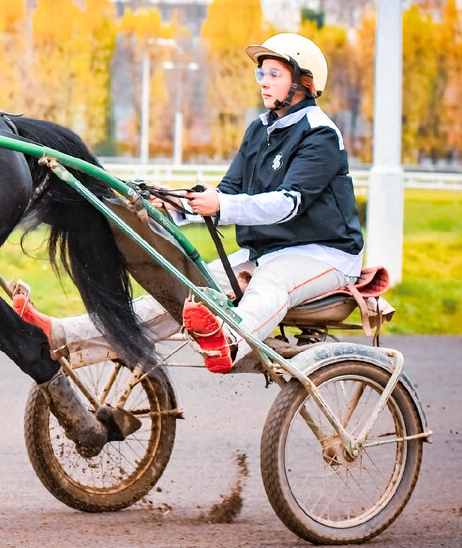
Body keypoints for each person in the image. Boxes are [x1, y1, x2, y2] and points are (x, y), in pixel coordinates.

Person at [36, 33, 364, 373]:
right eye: (261, 74)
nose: (264, 83)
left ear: (304, 82)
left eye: (274, 75)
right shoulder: (259, 131)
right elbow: (228, 191)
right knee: (188, 292)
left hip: (323, 255)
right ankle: (64, 335)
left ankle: (230, 342)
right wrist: (174, 203)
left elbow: (288, 204)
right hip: (265, 254)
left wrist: (221, 204)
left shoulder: (320, 134)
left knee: (271, 283)